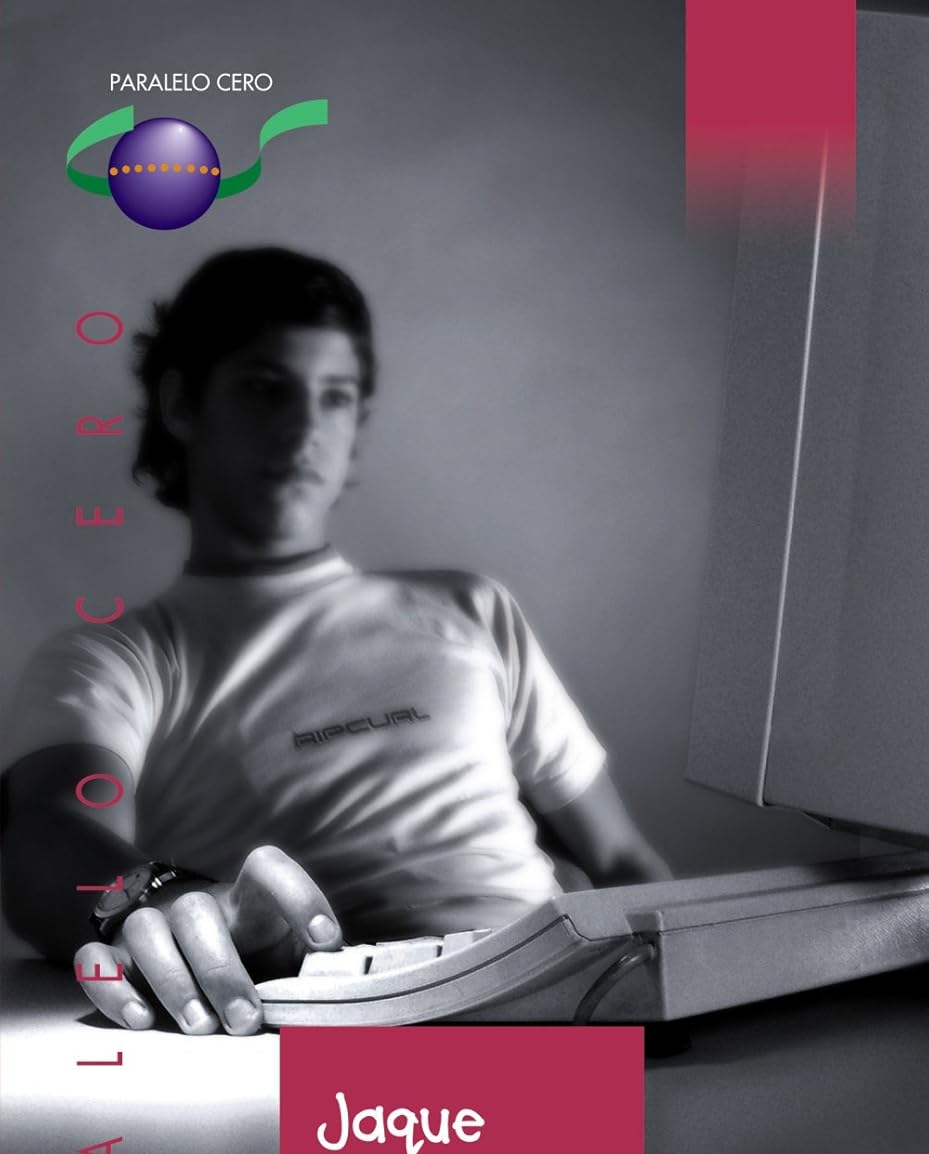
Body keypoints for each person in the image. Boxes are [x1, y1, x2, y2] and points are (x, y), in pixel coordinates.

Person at [2, 247, 668, 1037]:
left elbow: (620, 861)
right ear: (181, 403)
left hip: (575, 1007)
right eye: (264, 388)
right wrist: (161, 899)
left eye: (336, 397)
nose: (303, 429)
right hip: (335, 1039)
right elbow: (43, 833)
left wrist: (688, 984)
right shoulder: (117, 657)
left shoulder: (470, 608)